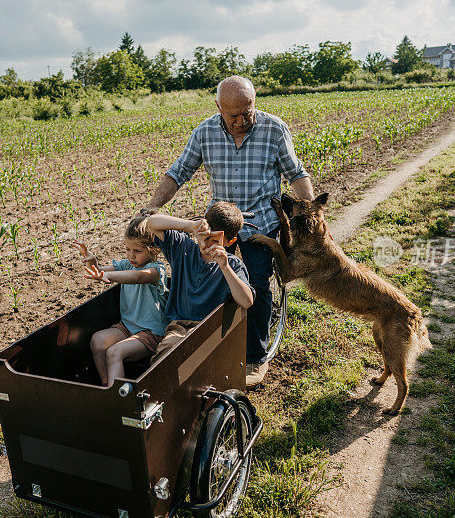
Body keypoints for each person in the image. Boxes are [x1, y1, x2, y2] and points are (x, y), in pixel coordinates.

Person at [145, 75, 315, 387]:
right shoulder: (205, 132)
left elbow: (296, 173)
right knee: (213, 283)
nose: (239, 121)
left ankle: (254, 356)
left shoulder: (274, 129)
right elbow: (178, 172)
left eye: (246, 113)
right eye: (232, 115)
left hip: (260, 222)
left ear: (255, 103)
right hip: (220, 222)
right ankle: (211, 343)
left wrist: (311, 210)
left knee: (258, 286)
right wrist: (152, 206)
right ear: (218, 108)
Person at [145, 202, 254, 358]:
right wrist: (191, 226)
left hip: (211, 331)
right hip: (179, 327)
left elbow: (246, 301)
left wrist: (225, 267)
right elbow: (152, 222)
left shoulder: (233, 265)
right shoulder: (183, 248)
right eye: (205, 236)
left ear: (230, 242)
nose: (206, 243)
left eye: (214, 240)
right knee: (167, 356)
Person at [73, 217, 168, 387]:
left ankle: (118, 400)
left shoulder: (157, 269)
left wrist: (108, 276)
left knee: (114, 352)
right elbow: (99, 271)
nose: (131, 255)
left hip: (151, 332)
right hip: (128, 326)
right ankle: (106, 385)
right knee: (98, 341)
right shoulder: (126, 265)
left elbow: (139, 277)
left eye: (137, 251)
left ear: (152, 249)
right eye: (128, 249)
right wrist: (91, 260)